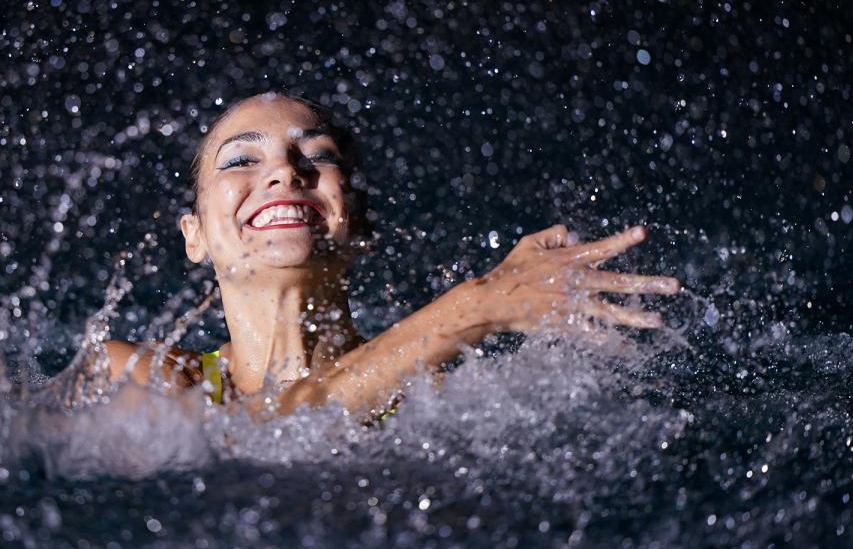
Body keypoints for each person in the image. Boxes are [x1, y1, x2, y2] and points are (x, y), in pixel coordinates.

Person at [101, 93, 680, 421]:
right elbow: (257, 433)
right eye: (239, 161)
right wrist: (475, 308)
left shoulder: (448, 395)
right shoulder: (135, 377)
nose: (285, 171)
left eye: (317, 155)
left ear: (359, 224)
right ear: (194, 234)